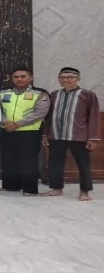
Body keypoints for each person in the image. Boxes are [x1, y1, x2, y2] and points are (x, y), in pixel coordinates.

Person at [42, 67, 100, 201]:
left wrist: (93, 138)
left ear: (78, 79)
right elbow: (48, 117)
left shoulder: (88, 95)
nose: (65, 80)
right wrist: (45, 134)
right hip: (56, 135)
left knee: (83, 164)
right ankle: (56, 188)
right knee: (55, 163)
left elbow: (94, 116)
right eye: (62, 77)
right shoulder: (54, 95)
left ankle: (84, 191)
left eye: (70, 77)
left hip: (79, 136)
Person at [0, 67, 49, 196]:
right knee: (8, 158)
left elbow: (40, 113)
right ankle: (11, 186)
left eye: (23, 76)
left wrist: (18, 124)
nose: (19, 79)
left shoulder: (40, 93)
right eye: (16, 77)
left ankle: (30, 189)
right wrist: (5, 122)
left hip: (29, 132)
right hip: (7, 131)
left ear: (30, 77)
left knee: (29, 160)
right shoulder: (3, 92)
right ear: (12, 79)